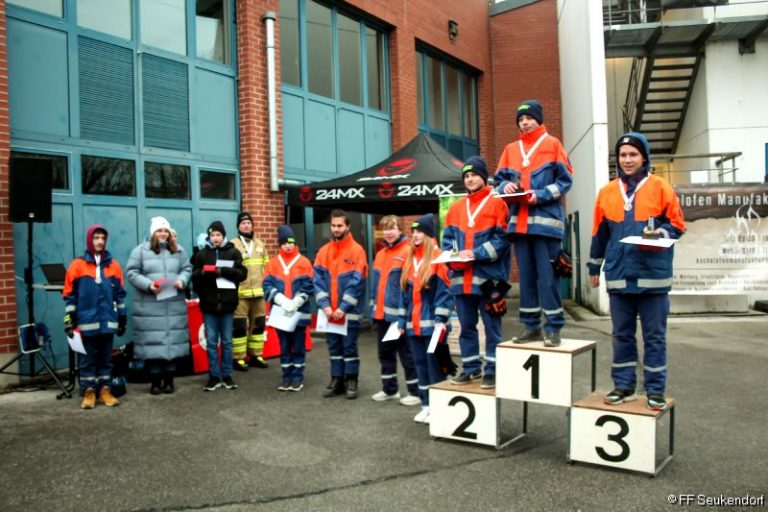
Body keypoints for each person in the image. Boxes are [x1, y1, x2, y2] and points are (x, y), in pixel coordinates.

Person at [588, 132, 685, 411]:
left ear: (644, 157)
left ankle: (655, 389)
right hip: (619, 275)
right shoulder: (607, 193)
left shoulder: (661, 187)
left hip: (653, 276)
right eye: (622, 155)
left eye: (633, 154)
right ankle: (623, 385)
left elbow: (677, 224)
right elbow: (599, 234)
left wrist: (661, 232)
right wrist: (594, 266)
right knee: (621, 334)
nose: (627, 160)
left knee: (654, 336)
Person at [495, 99, 574, 347]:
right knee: (527, 278)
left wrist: (539, 195)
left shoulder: (553, 145)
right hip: (519, 225)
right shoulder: (510, 149)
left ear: (538, 119)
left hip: (546, 226)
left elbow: (565, 181)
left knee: (547, 277)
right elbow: (498, 180)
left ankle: (554, 328)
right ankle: (531, 328)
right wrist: (503, 186)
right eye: (520, 119)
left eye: (529, 118)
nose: (524, 122)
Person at [442, 156, 511, 389]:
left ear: (483, 177)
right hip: (462, 280)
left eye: (474, 175)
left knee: (493, 327)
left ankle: (492, 370)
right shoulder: (455, 207)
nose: (470, 179)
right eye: (467, 176)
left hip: (490, 280)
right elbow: (447, 241)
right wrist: (452, 259)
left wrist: (476, 253)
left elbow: (503, 240)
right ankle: (471, 369)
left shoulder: (498, 203)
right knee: (466, 327)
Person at [62, 225, 127, 409]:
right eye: (96, 238)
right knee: (87, 359)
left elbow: (120, 295)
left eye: (102, 238)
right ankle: (88, 391)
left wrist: (122, 317)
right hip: (86, 323)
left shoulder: (114, 265)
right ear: (90, 240)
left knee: (106, 359)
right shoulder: (77, 265)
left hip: (108, 321)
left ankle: (105, 390)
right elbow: (69, 295)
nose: (99, 241)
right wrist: (68, 321)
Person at [126, 216, 192, 395]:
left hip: (173, 305)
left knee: (171, 342)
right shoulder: (140, 251)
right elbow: (131, 272)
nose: (163, 234)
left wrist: (181, 281)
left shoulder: (179, 251)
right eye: (159, 231)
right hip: (150, 306)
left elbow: (187, 269)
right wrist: (149, 285)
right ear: (153, 233)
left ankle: (169, 380)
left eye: (166, 231)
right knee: (153, 343)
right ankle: (155, 382)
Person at [400, 214, 454, 424]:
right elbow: (405, 296)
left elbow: (445, 291)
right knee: (420, 366)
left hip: (433, 326)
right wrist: (401, 321)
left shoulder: (439, 257)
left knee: (434, 367)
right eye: (413, 232)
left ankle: (439, 407)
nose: (415, 235)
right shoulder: (410, 260)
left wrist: (440, 318)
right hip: (414, 327)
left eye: (419, 231)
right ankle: (426, 405)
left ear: (430, 234)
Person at [313, 209, 368, 399]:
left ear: (347, 226)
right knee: (334, 347)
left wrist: (342, 308)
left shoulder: (357, 250)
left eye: (340, 226)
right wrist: (326, 306)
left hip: (349, 312)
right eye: (333, 225)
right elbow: (317, 281)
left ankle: (351, 380)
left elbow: (357, 283)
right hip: (329, 312)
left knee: (349, 347)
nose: (336, 229)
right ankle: (336, 379)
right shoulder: (323, 251)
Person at [369, 215, 420, 406]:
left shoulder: (408, 251)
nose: (389, 232)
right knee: (385, 353)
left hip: (399, 316)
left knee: (407, 354)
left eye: (392, 228)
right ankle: (390, 389)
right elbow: (376, 287)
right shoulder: (381, 254)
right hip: (382, 315)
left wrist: (404, 315)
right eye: (385, 228)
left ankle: (415, 392)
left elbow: (408, 286)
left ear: (400, 230)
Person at [191, 221, 247, 392]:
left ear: (223, 236)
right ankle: (214, 375)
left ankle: (227, 375)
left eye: (218, 235)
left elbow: (242, 274)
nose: (215, 238)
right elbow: (194, 277)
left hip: (228, 305)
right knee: (212, 342)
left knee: (228, 342)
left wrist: (223, 272)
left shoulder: (233, 252)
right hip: (209, 305)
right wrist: (203, 273)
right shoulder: (202, 254)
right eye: (212, 235)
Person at [263, 225, 314, 391]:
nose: (288, 245)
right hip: (281, 313)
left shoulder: (304, 262)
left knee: (298, 346)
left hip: (299, 312)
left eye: (291, 242)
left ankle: (297, 378)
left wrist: (297, 301)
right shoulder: (272, 264)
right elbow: (266, 284)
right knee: (284, 346)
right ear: (280, 244)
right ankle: (286, 377)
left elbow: (309, 284)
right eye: (284, 243)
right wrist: (280, 299)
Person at [230, 212, 269, 371]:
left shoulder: (260, 244)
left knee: (259, 325)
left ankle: (256, 355)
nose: (246, 226)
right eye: (243, 223)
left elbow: (268, 268)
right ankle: (238, 358)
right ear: (238, 226)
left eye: (249, 223)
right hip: (240, 293)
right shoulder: (232, 245)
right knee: (239, 327)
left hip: (259, 293)